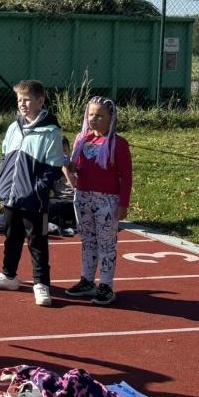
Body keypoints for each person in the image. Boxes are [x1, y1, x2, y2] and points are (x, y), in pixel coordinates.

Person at [0, 79, 65, 307]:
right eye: (19, 100)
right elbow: (4, 155)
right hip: (11, 196)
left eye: (27, 100)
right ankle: (8, 276)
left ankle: (41, 284)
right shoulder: (14, 127)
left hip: (33, 200)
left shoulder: (50, 132)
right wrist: (1, 179)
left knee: (37, 242)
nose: (22, 104)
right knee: (11, 237)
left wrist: (36, 189)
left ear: (40, 101)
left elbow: (54, 167)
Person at [64, 97, 132, 306]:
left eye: (100, 115)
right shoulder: (81, 139)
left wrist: (123, 204)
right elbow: (77, 166)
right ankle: (87, 280)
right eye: (91, 114)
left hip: (107, 201)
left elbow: (126, 176)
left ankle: (106, 285)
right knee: (87, 241)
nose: (94, 119)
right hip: (83, 197)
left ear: (111, 118)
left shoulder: (118, 144)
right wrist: (70, 168)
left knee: (106, 243)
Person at [47, 136, 77, 237]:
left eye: (64, 151)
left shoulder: (75, 168)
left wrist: (66, 170)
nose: (62, 155)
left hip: (73, 202)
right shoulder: (53, 170)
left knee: (57, 208)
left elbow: (76, 188)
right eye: (59, 152)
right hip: (58, 201)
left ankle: (60, 226)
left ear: (69, 151)